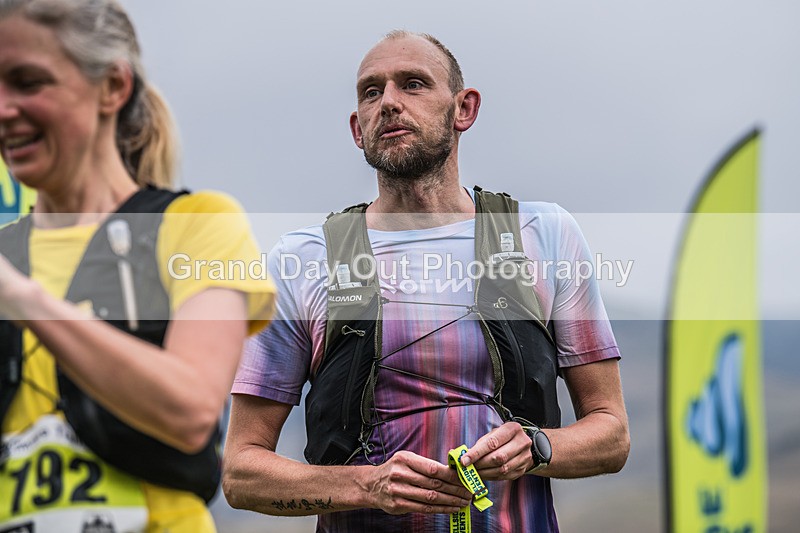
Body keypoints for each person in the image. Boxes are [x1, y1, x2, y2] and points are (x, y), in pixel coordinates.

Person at [223, 30, 629, 532]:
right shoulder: (304, 259)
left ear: (465, 109)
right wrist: (365, 485)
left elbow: (611, 434)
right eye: (372, 92)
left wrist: (538, 445)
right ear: (357, 128)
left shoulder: (543, 235)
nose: (389, 102)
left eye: (412, 84)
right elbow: (241, 472)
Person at [0, 1, 274, 531]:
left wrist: (25, 298)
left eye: (28, 82)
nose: (4, 108)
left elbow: (191, 409)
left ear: (112, 88)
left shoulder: (197, 224)